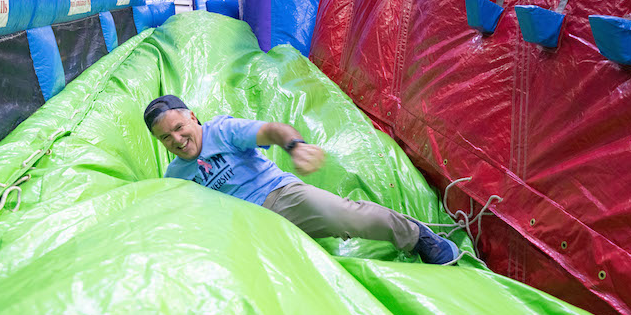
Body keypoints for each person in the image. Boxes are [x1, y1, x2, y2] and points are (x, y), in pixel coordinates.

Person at [143, 95, 461, 265]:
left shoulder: (222, 131)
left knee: (345, 214)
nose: (177, 139)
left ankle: (418, 237)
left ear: (192, 117)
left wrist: (294, 146)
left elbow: (271, 130)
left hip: (280, 197)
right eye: (166, 138)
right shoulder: (176, 175)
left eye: (178, 128)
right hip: (244, 227)